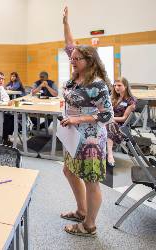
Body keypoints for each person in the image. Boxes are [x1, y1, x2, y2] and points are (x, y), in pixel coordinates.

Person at [60, 7, 113, 237]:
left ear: (89, 61)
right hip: (73, 134)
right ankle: (82, 210)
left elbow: (107, 115)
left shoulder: (97, 84)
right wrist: (65, 23)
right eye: (71, 58)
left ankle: (89, 225)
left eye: (76, 58)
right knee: (69, 171)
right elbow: (71, 45)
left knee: (91, 180)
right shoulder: (77, 76)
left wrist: (77, 118)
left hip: (91, 138)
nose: (72, 60)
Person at [106, 77, 137, 167]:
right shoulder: (114, 98)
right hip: (109, 121)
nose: (116, 88)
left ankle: (110, 155)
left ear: (126, 86)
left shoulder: (131, 101)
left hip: (122, 126)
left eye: (119, 85)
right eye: (115, 85)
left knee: (109, 126)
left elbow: (124, 118)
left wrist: (109, 119)